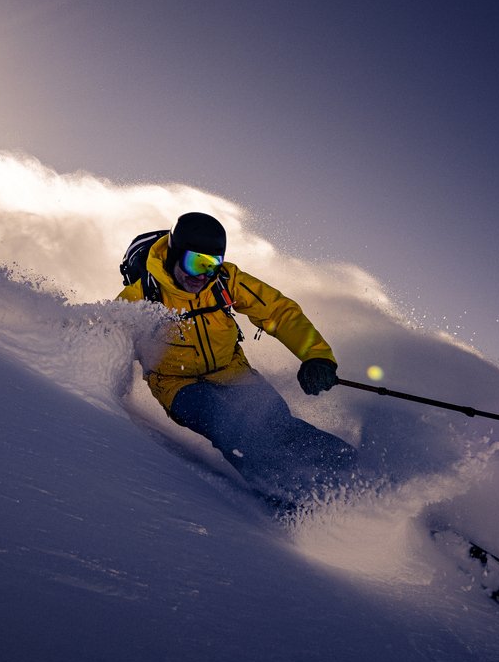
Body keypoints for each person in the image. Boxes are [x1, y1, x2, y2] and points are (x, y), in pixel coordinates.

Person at [118, 212, 356, 502]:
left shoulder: (225, 282)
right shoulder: (140, 297)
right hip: (178, 386)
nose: (203, 275)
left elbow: (278, 312)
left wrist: (316, 356)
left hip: (234, 373)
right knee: (229, 425)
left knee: (278, 425)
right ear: (174, 253)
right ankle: (288, 497)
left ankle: (358, 475)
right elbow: (106, 334)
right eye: (196, 263)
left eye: (212, 265)